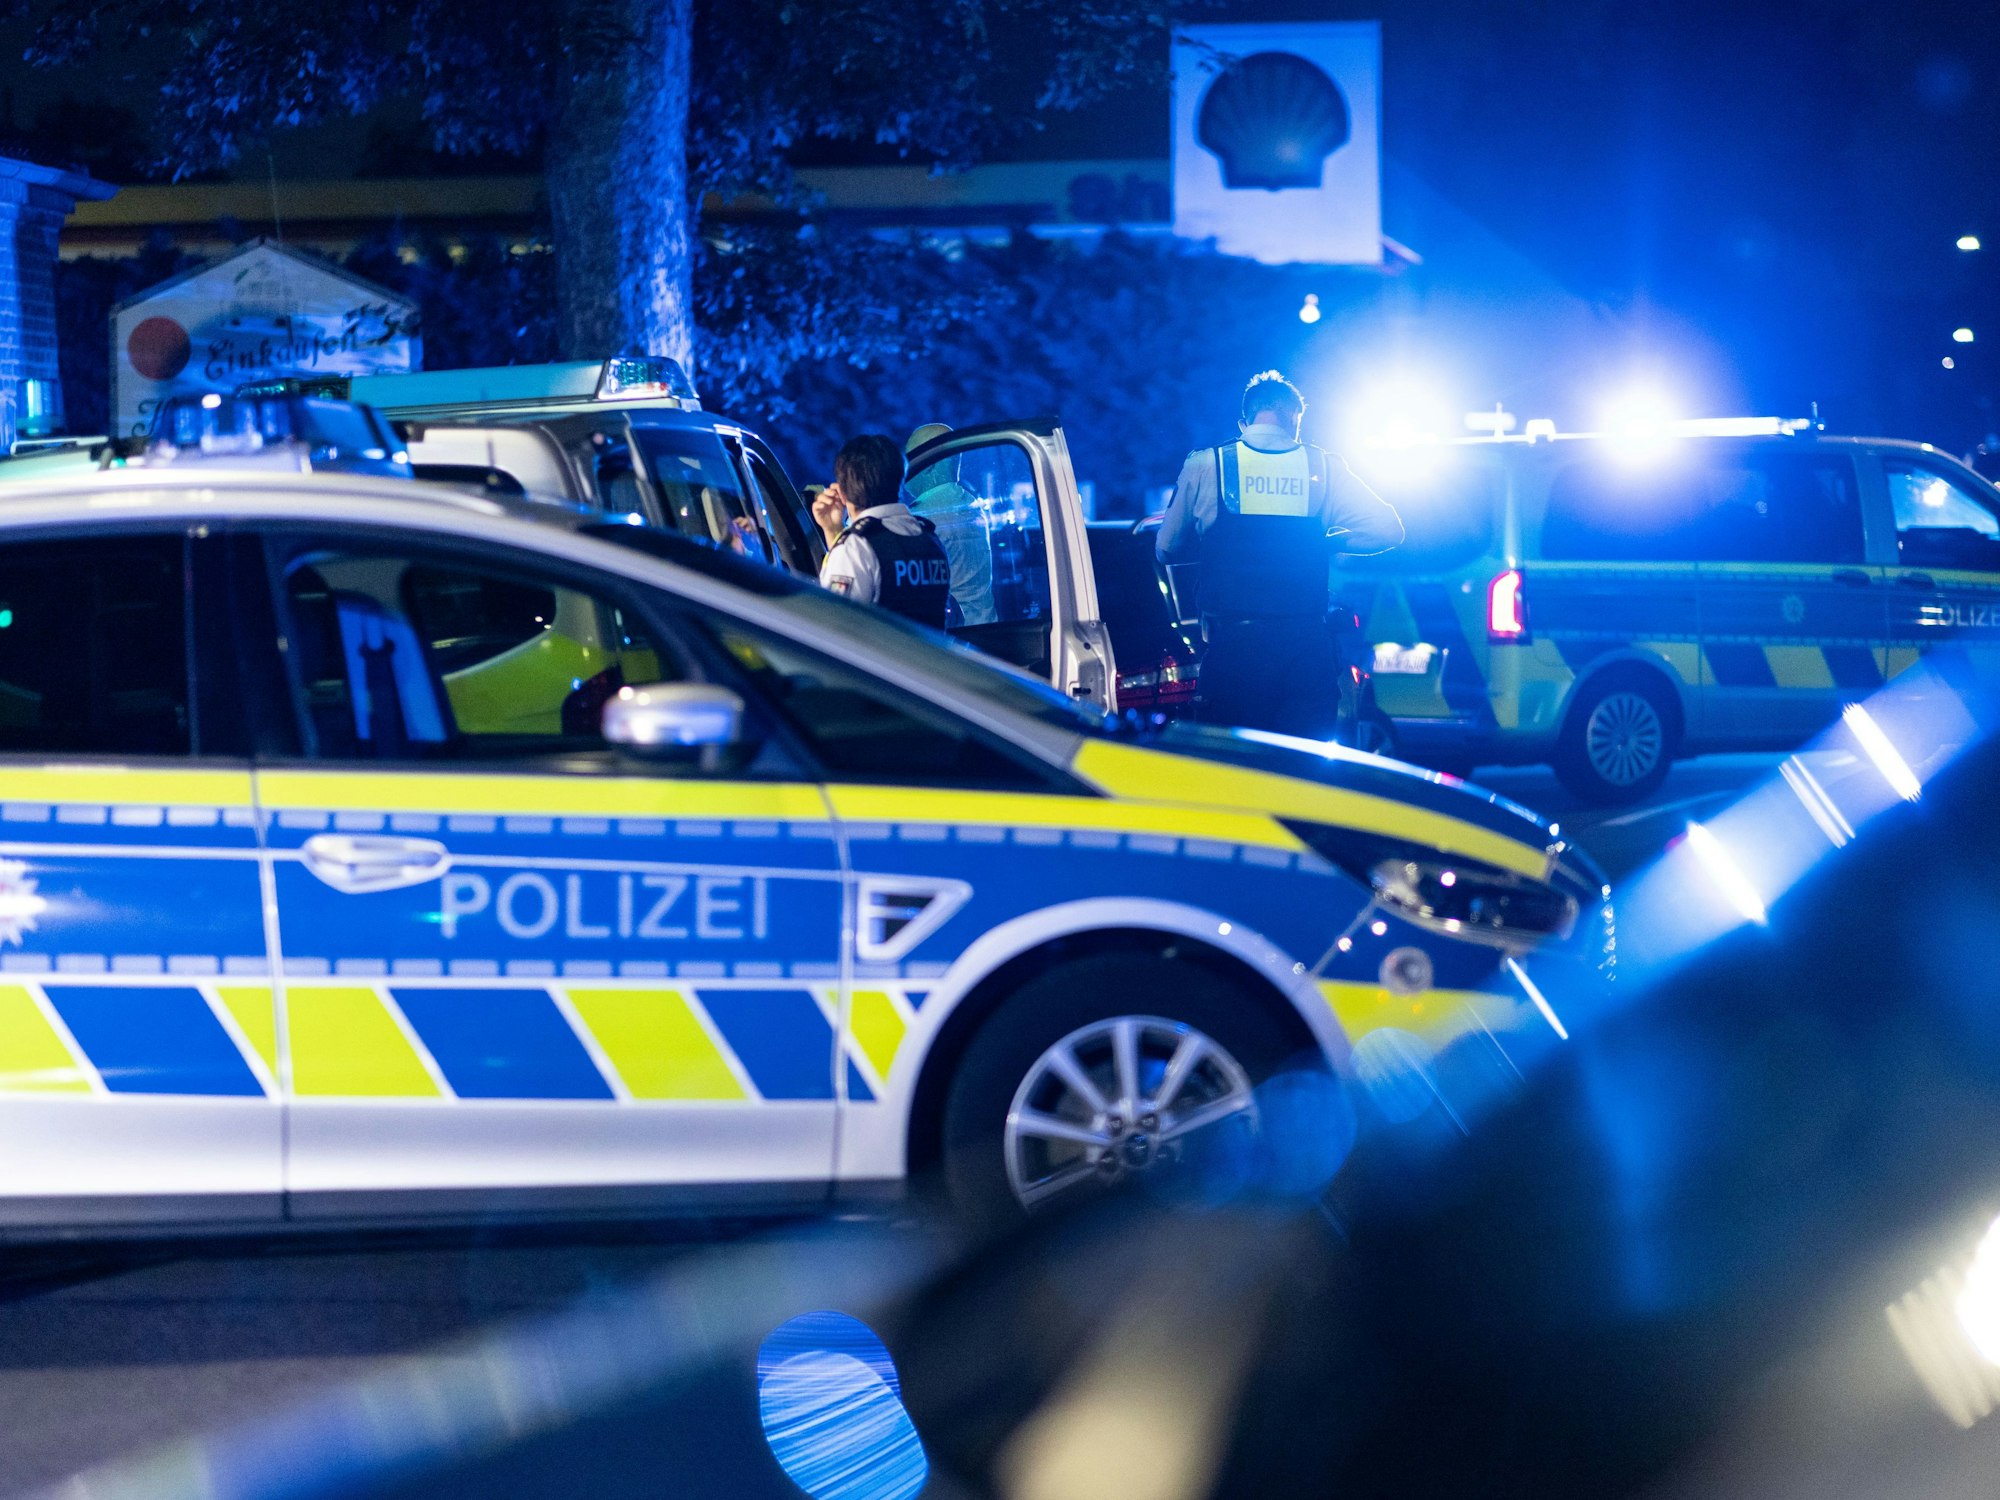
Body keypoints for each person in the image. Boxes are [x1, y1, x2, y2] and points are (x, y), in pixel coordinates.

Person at [1157, 370, 1404, 739]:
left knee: (1232, 772)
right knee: (1301, 774)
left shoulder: (1208, 464)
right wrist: (1327, 542)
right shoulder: (1323, 467)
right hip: (1305, 649)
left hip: (1233, 651)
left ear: (1245, 421)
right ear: (1295, 419)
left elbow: (1166, 548)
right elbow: (1388, 530)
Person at [813, 433, 953, 628]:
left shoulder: (856, 548)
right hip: (929, 658)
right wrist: (833, 532)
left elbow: (834, 628)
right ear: (899, 481)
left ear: (842, 493)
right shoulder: (930, 540)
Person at [904, 423, 998, 626]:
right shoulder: (970, 504)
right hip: (986, 627)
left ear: (928, 463)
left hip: (954, 638)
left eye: (909, 457)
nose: (905, 467)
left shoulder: (923, 515)